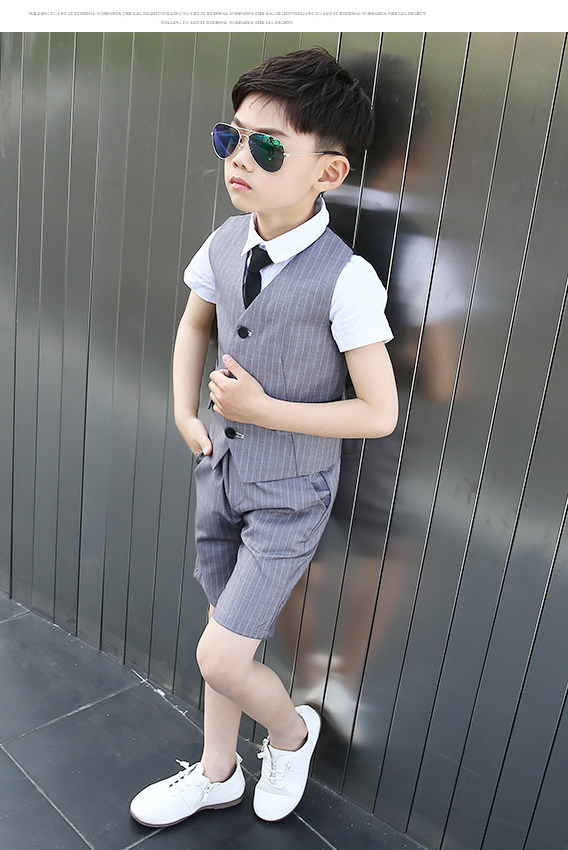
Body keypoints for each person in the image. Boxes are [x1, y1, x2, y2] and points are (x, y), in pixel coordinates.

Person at [130, 47, 398, 829]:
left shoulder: (346, 279)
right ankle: (217, 773)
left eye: (268, 147)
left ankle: (289, 735)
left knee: (218, 654)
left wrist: (264, 409)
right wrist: (185, 413)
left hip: (289, 497)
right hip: (219, 475)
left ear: (329, 172)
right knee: (227, 638)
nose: (240, 158)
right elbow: (195, 324)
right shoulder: (225, 241)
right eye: (232, 137)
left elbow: (378, 413)